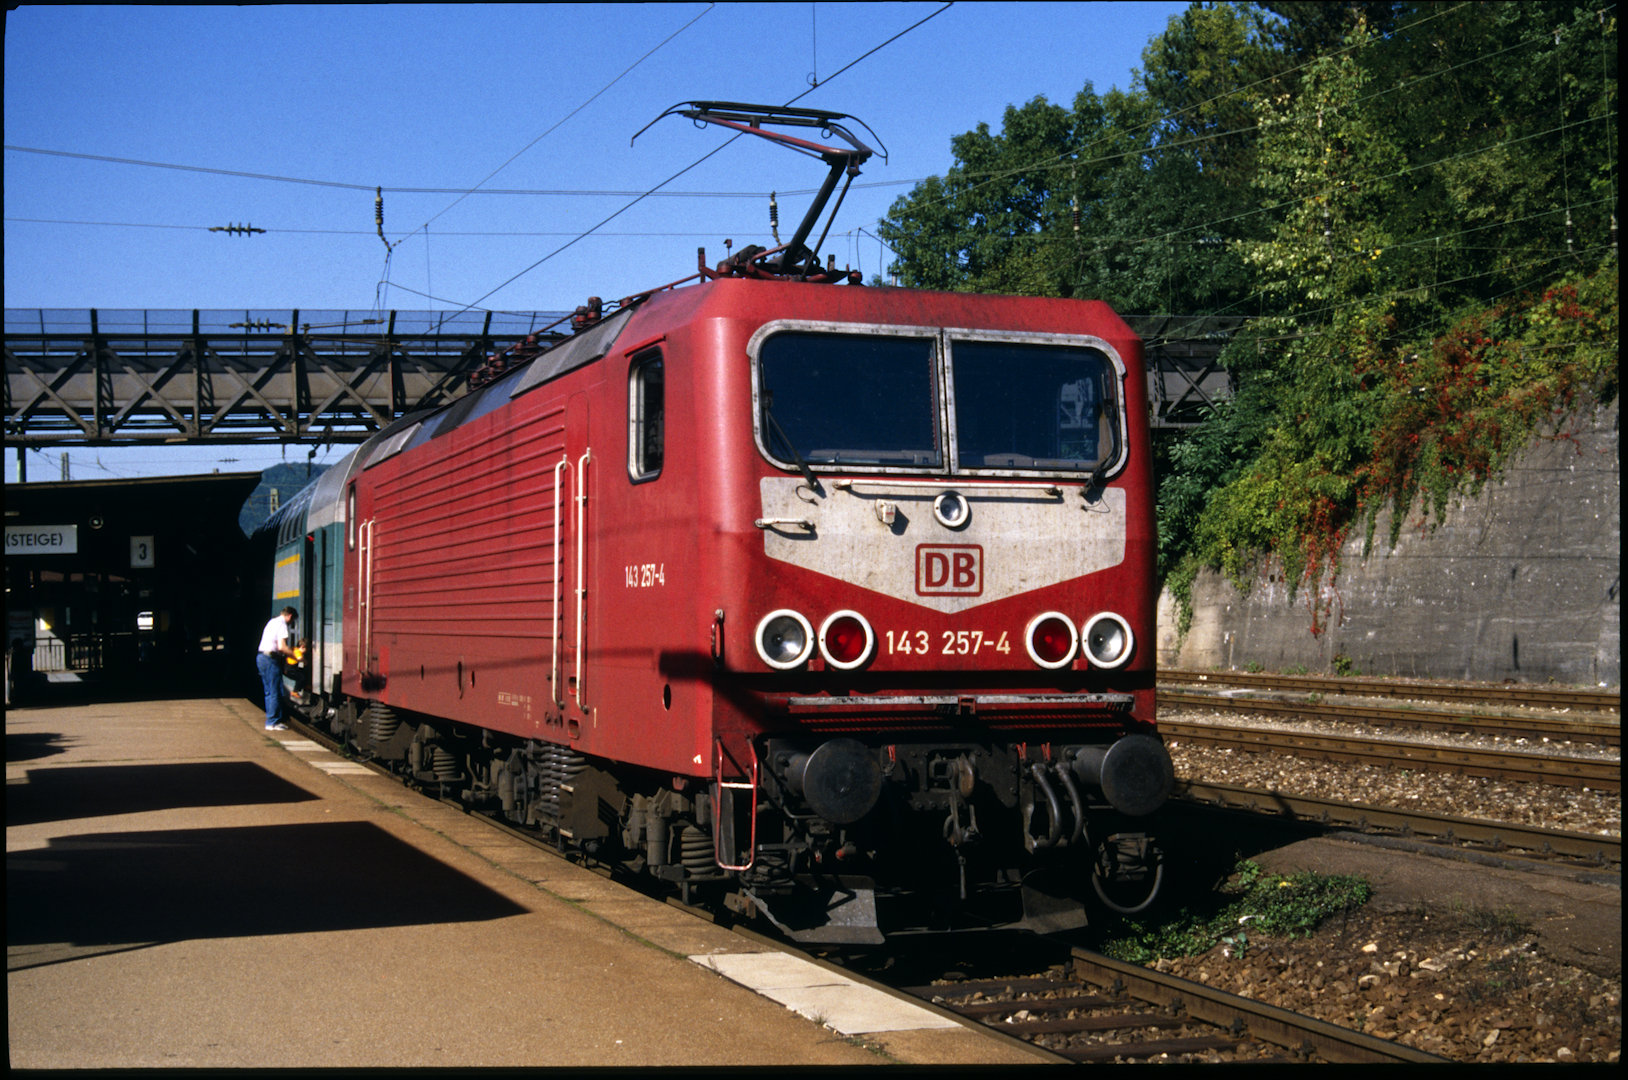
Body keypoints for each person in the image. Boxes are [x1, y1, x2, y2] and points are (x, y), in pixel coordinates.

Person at [256, 607, 298, 730]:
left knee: (269, 691)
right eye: (292, 621)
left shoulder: (272, 621)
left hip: (261, 657)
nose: (291, 623)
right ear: (290, 616)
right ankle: (272, 722)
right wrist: (295, 656)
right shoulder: (282, 624)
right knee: (276, 691)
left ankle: (272, 720)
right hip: (270, 659)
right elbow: (282, 647)